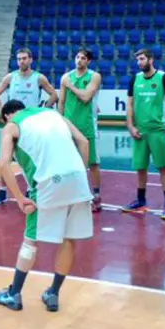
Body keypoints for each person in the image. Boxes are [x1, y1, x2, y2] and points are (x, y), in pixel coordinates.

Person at [0, 100, 93, 312]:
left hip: (48, 182)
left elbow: (3, 164)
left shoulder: (12, 126)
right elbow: (84, 142)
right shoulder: (53, 114)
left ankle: (14, 294)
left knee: (31, 241)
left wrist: (20, 198)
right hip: (78, 179)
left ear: (8, 115)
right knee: (69, 240)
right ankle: (53, 294)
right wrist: (78, 176)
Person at [0, 47, 58, 206]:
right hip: (13, 124)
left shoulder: (38, 78)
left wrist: (44, 109)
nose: (21, 61)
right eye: (19, 59)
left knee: (31, 158)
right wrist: (2, 113)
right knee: (5, 157)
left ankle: (30, 188)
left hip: (31, 126)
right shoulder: (10, 77)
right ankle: (2, 190)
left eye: (24, 58)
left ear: (31, 60)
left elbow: (54, 94)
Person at [121, 48, 165, 219]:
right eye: (137, 60)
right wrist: (131, 126)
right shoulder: (135, 79)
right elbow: (130, 105)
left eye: (142, 59)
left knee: (163, 168)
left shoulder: (163, 78)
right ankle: (141, 200)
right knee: (140, 168)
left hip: (158, 130)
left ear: (151, 59)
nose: (139, 62)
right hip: (140, 131)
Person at [59, 48, 103, 212]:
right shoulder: (66, 76)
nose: (79, 60)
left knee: (93, 163)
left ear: (88, 61)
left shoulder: (94, 76)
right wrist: (59, 119)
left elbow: (85, 97)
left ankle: (96, 195)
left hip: (88, 126)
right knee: (69, 162)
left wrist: (70, 85)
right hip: (69, 126)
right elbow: (62, 101)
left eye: (83, 58)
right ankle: (72, 195)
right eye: (77, 57)